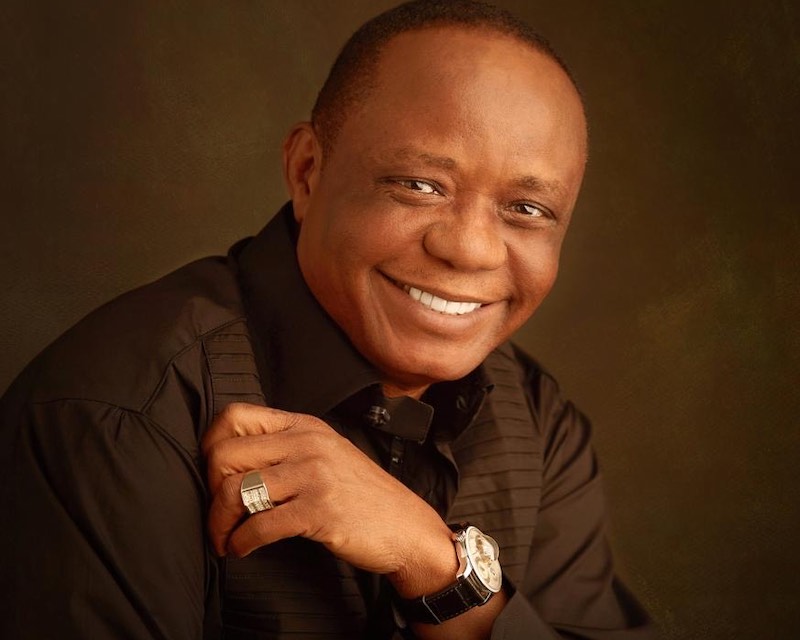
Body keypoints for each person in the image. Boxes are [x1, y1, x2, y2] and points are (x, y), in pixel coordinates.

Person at [0, 1, 657, 639]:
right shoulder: (119, 414)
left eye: (527, 210)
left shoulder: (539, 420)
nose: (470, 250)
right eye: (420, 186)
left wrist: (433, 563)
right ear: (307, 172)